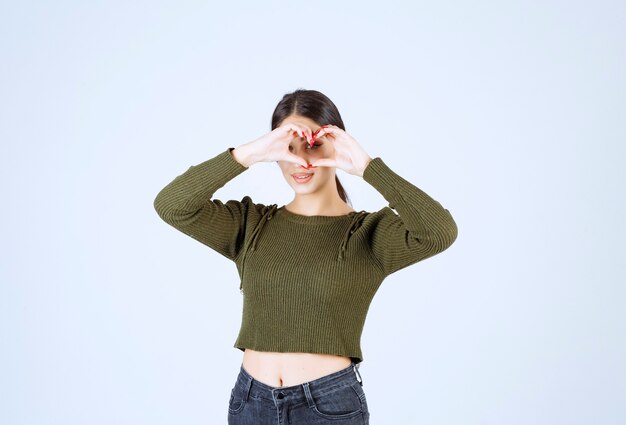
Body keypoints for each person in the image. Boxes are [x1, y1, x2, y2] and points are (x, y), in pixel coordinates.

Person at [153, 89, 458, 424]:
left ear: (337, 143)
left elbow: (438, 231)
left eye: (313, 144)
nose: (301, 160)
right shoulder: (251, 224)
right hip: (251, 403)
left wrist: (368, 168)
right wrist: (248, 154)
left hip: (328, 406)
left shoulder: (369, 234)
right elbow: (172, 205)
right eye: (289, 147)